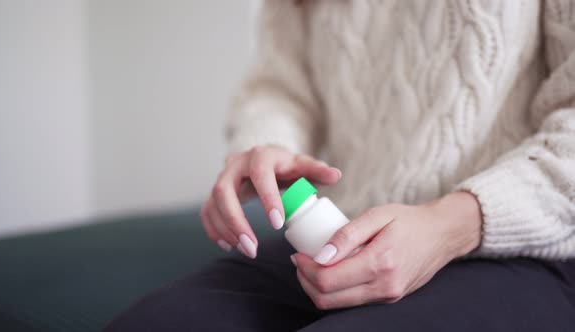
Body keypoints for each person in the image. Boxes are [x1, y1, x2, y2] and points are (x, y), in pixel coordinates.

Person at [106, 1, 575, 331]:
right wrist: (269, 148)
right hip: (348, 233)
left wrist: (449, 225)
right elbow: (282, 85)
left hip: (525, 245)